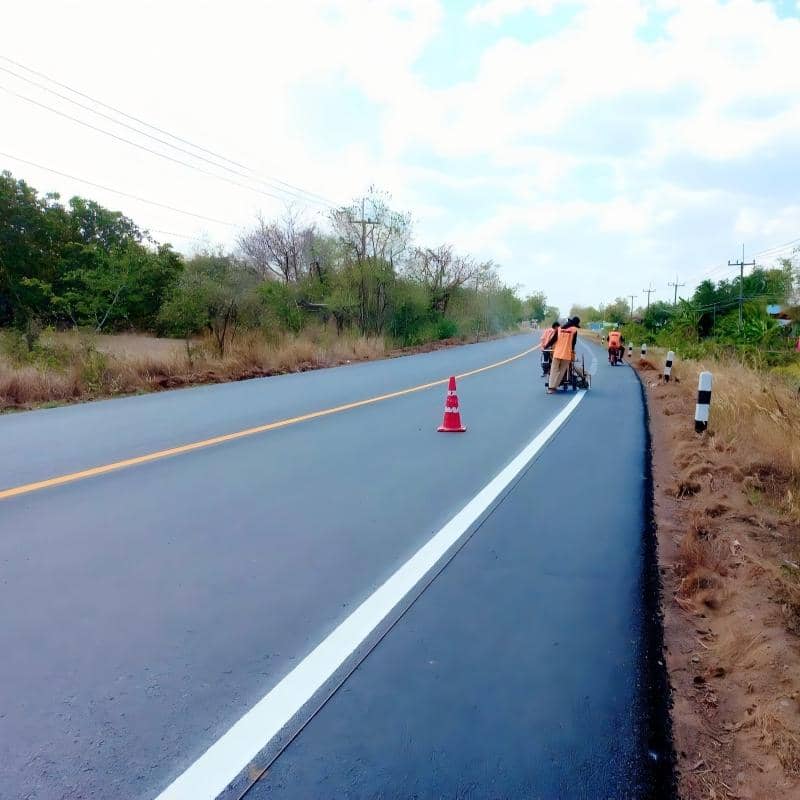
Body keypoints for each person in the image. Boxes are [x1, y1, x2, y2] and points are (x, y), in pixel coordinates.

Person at [547, 316, 580, 393]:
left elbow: (553, 340)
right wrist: (572, 352)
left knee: (554, 370)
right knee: (562, 371)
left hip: (557, 352)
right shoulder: (574, 330)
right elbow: (573, 343)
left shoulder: (559, 329)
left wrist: (545, 347)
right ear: (575, 324)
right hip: (566, 354)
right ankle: (555, 386)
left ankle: (551, 388)